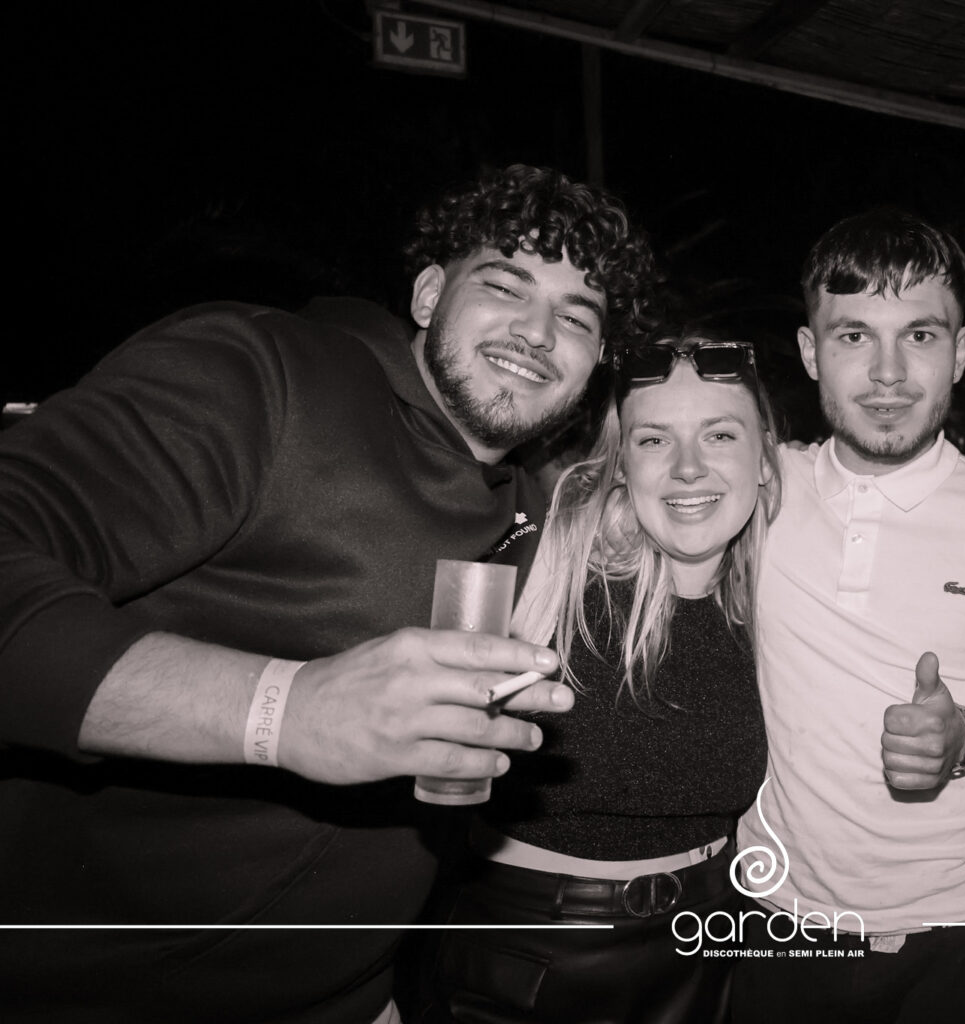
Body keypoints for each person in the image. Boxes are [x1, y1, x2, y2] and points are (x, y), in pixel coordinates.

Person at [0, 164, 657, 1023]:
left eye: (575, 318)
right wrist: (285, 709)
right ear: (429, 294)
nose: (537, 332)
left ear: (595, 361)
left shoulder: (536, 505)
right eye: (505, 287)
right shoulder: (261, 372)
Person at [731, 209, 965, 1023]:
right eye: (854, 336)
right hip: (769, 920)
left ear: (959, 351)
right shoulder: (755, 491)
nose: (887, 373)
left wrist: (964, 741)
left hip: (955, 937)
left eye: (919, 336)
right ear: (811, 352)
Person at [426, 331, 781, 1023]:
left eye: (719, 436)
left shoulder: (779, 598)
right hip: (532, 952)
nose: (687, 468)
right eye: (653, 440)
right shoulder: (545, 568)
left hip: (710, 948)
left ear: (765, 460)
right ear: (622, 466)